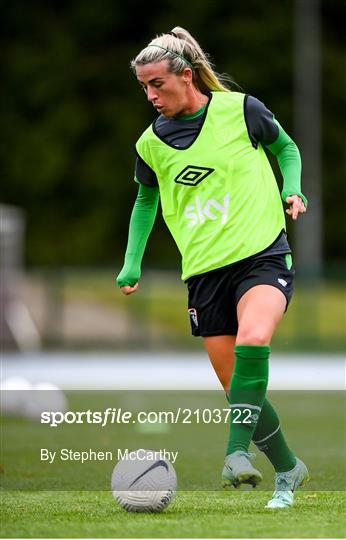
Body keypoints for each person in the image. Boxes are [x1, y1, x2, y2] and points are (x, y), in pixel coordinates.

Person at [116, 26, 309, 508]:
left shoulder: (241, 110)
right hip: (203, 273)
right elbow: (145, 201)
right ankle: (288, 468)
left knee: (254, 340)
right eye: (144, 86)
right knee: (237, 387)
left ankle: (234, 454)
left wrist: (294, 188)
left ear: (186, 76)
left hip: (262, 255)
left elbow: (286, 147)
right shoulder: (150, 144)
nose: (150, 95)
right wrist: (131, 262)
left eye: (157, 83)